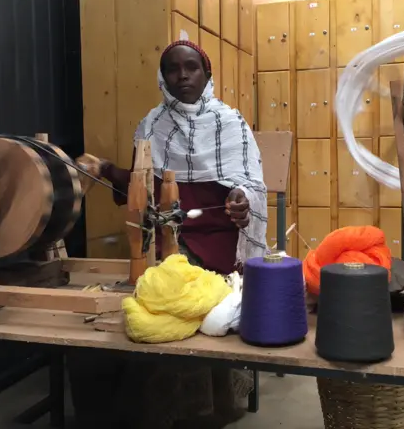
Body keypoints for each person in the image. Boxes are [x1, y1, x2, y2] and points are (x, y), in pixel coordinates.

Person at [68, 40, 267, 429]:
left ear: (207, 74)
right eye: (173, 69)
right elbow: (141, 187)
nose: (183, 76)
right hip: (170, 238)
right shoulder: (152, 124)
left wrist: (242, 200)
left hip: (222, 238)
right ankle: (157, 407)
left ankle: (202, 410)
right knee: (159, 295)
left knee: (185, 299)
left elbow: (251, 185)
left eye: (191, 67)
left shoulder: (230, 122)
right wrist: (106, 168)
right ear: (163, 77)